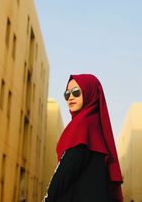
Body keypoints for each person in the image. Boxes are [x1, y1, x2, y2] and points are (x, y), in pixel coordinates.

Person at [43, 74, 123, 202]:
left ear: (90, 92)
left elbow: (66, 170)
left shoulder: (83, 125)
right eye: (67, 94)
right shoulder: (95, 126)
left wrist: (48, 198)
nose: (70, 98)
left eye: (76, 92)